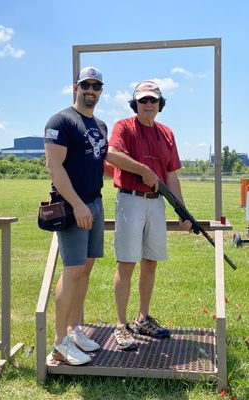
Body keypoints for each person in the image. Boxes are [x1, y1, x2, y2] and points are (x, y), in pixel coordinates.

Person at [106, 80, 192, 350]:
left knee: (150, 262)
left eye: (153, 100)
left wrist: (182, 210)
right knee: (127, 264)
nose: (148, 104)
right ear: (135, 104)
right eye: (143, 100)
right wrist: (143, 170)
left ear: (160, 105)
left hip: (157, 203)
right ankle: (121, 325)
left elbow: (171, 175)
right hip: (130, 199)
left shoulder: (167, 133)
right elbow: (111, 154)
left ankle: (142, 318)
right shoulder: (124, 127)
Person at [44, 66, 108, 365]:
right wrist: (78, 205)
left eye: (96, 86)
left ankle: (73, 329)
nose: (90, 90)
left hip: (95, 203)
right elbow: (54, 168)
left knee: (85, 270)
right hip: (73, 207)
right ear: (76, 87)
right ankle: (59, 342)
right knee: (71, 271)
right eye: (86, 85)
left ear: (101, 91)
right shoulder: (61, 121)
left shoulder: (100, 125)